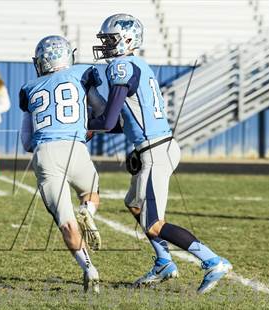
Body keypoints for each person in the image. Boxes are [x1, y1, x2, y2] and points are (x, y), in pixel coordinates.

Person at [90, 14, 232, 294]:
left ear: (127, 40)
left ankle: (213, 261)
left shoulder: (121, 66)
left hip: (154, 151)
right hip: (154, 147)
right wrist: (92, 93)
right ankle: (164, 262)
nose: (105, 45)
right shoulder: (137, 64)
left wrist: (87, 126)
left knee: (153, 223)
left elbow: (107, 122)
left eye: (110, 39)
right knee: (134, 203)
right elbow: (120, 124)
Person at [20, 35, 105, 293]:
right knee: (91, 195)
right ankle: (88, 213)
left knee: (67, 223)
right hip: (75, 148)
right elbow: (100, 108)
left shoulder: (29, 88)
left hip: (45, 152)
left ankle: (89, 269)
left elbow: (26, 142)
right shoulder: (82, 73)